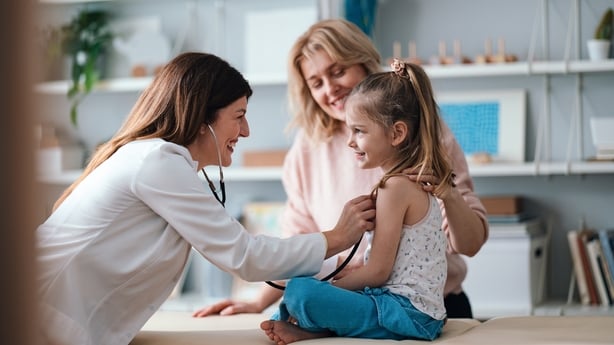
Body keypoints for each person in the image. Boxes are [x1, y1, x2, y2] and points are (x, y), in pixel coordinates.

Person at [36, 52, 376, 345]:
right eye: (239, 116)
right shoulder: (156, 162)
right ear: (202, 120)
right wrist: (338, 236)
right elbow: (245, 255)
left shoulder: (159, 162)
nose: (246, 132)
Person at [194, 18, 488, 319]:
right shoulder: (306, 151)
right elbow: (300, 246)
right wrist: (258, 302)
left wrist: (449, 195)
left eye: (338, 72)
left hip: (430, 309)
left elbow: (470, 243)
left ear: (363, 64)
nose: (330, 89)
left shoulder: (423, 133)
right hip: (350, 306)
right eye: (316, 82)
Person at [260, 59, 454, 344]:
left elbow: (377, 272)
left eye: (359, 131)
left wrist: (331, 287)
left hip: (406, 314)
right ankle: (314, 328)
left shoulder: (394, 188)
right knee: (304, 290)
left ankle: (307, 322)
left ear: (397, 133)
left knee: (301, 291)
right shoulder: (400, 184)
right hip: (407, 311)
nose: (350, 141)